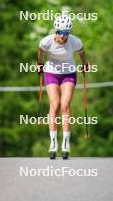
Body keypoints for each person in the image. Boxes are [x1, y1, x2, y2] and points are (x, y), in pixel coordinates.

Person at [37, 14, 88, 159]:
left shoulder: (75, 42)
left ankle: (66, 144)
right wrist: (39, 64)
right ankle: (53, 144)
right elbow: (40, 52)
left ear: (69, 33)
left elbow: (82, 53)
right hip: (51, 73)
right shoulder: (46, 41)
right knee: (55, 105)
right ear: (55, 31)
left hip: (68, 74)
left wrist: (85, 65)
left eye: (65, 33)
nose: (62, 36)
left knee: (65, 105)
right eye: (59, 32)